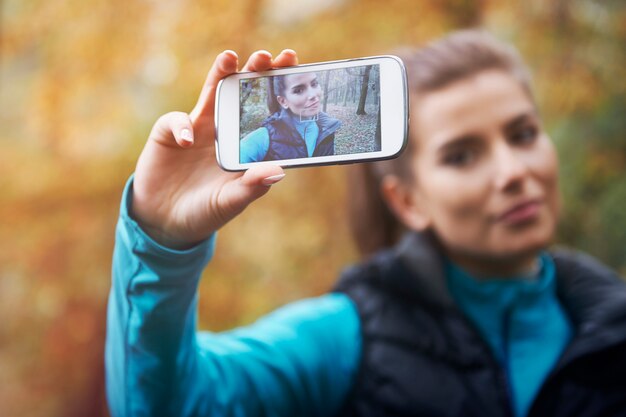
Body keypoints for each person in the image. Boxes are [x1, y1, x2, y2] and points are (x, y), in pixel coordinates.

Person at [105, 33, 626, 417]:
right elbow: (169, 406)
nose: (514, 172)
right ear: (407, 202)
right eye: (462, 156)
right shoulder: (344, 340)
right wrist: (162, 242)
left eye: (523, 133)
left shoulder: (611, 321)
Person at [240, 72, 341, 162]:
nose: (313, 95)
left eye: (314, 84)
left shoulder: (327, 128)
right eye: (298, 90)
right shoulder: (262, 138)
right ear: (283, 101)